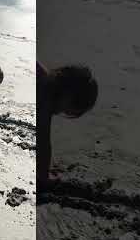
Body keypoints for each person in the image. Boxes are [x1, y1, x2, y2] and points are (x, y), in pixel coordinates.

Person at [37, 61, 98, 189]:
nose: (60, 112)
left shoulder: (46, 77)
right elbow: (43, 141)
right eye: (66, 110)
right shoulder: (45, 99)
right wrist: (43, 177)